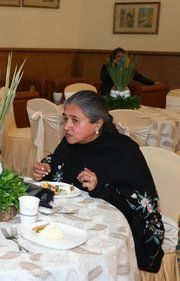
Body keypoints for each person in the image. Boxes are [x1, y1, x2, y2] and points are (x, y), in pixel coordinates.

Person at [32, 91, 164, 273]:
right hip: (73, 221)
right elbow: (56, 165)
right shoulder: (70, 142)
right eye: (65, 119)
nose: (66, 127)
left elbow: (143, 207)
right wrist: (44, 170)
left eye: (75, 120)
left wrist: (100, 187)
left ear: (98, 123)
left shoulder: (123, 151)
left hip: (113, 231)